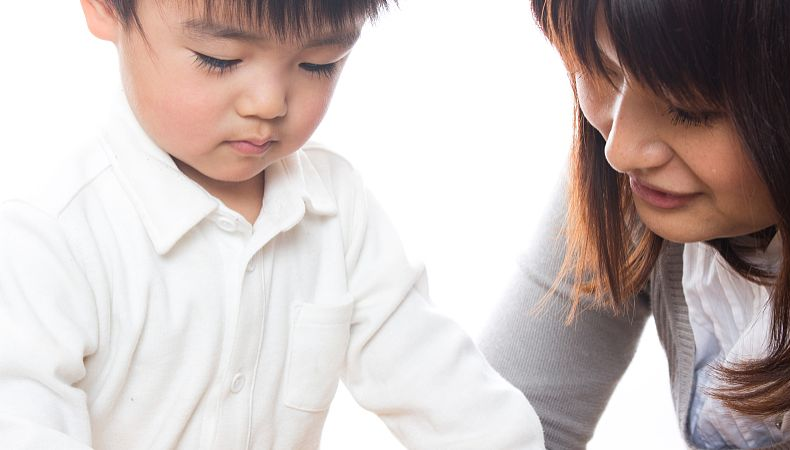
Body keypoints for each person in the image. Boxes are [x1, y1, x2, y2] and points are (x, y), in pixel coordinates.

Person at [0, 0, 545, 448]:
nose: (269, 103)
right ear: (106, 9)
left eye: (319, 64)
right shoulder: (49, 235)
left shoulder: (337, 208)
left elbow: (454, 400)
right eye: (219, 58)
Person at [479, 0, 790, 449]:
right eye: (600, 69)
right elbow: (501, 425)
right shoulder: (640, 184)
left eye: (690, 109)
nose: (620, 150)